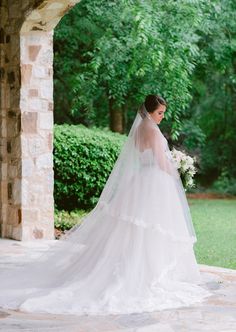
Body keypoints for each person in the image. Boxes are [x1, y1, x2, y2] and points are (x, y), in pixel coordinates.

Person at [0, 94, 213, 315]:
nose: (161, 117)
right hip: (155, 183)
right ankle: (146, 272)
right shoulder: (152, 130)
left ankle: (139, 268)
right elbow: (160, 162)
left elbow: (143, 154)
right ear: (150, 111)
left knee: (140, 228)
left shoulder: (140, 129)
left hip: (142, 182)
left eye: (162, 114)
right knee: (151, 228)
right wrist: (178, 170)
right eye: (159, 113)